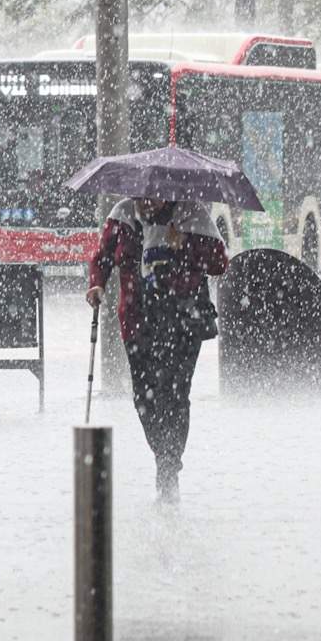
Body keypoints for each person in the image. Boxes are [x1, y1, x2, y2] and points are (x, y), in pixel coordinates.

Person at [87, 197, 228, 502]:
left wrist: (185, 244)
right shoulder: (122, 215)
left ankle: (168, 468)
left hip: (182, 322)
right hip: (138, 323)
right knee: (144, 398)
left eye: (155, 195)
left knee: (175, 395)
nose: (148, 201)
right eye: (142, 195)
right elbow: (103, 256)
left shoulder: (191, 213)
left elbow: (219, 262)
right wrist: (96, 283)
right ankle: (164, 456)